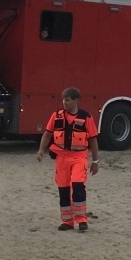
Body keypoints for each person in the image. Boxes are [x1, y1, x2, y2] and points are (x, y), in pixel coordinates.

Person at [36, 87, 99, 232]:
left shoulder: (86, 117)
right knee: (63, 189)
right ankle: (67, 221)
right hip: (62, 158)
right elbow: (47, 134)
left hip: (79, 157)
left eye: (67, 100)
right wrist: (41, 151)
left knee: (78, 185)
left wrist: (95, 162)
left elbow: (94, 140)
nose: (64, 102)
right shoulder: (56, 116)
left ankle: (82, 220)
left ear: (76, 100)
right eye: (63, 99)